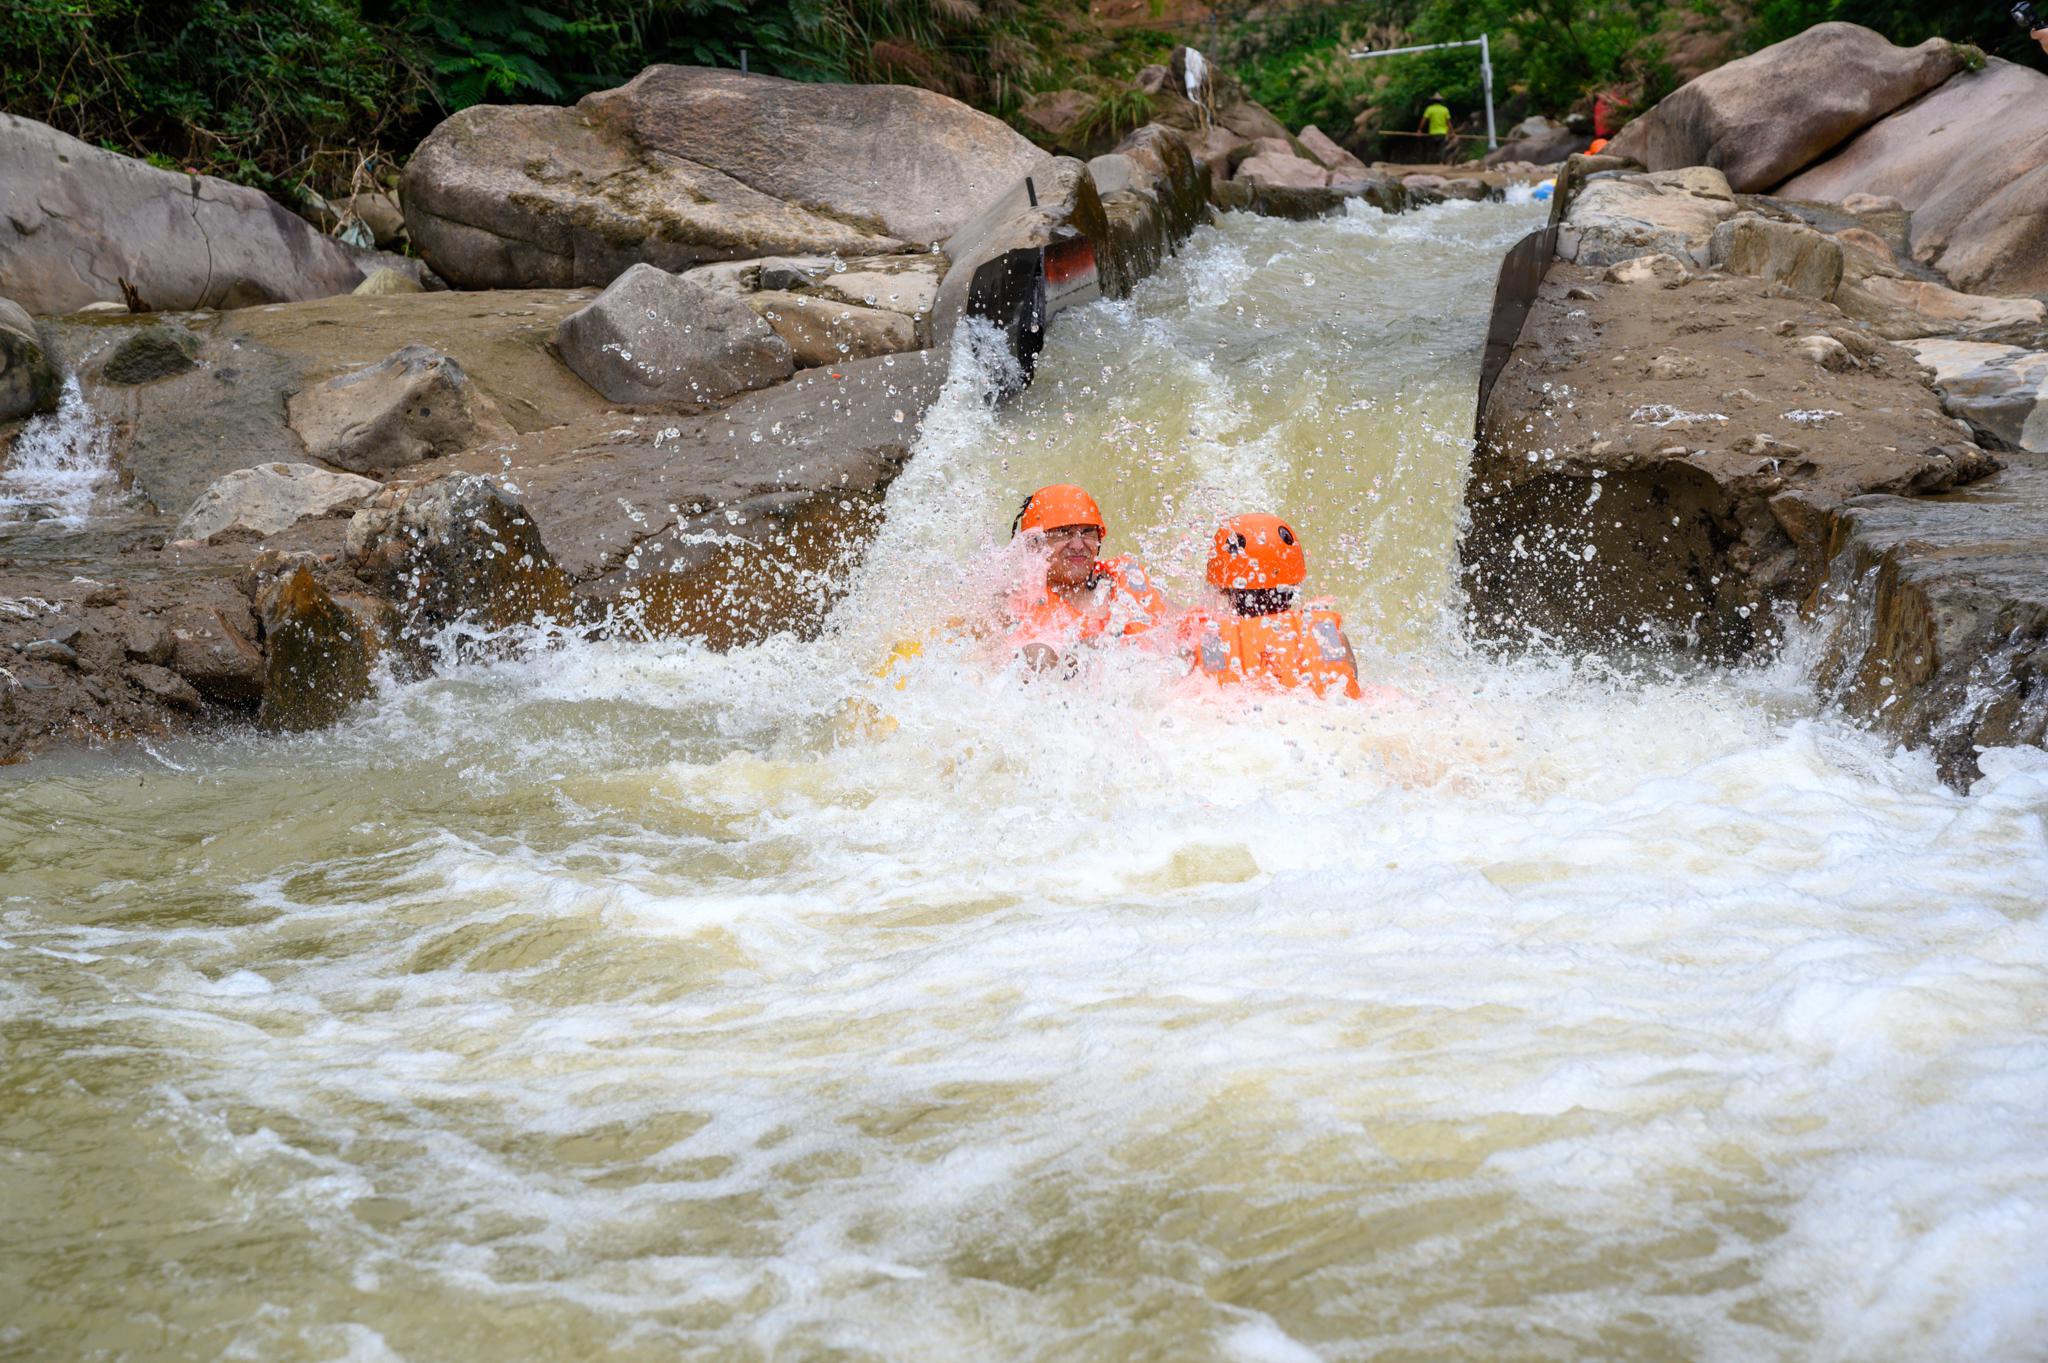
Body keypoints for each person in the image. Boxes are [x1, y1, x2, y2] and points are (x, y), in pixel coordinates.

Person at [1180, 513, 1362, 700]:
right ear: (1295, 581)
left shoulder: (1205, 638)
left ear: (1223, 590)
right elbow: (1351, 688)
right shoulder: (1327, 633)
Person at [1006, 483, 1165, 669]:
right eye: (1064, 533)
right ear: (1034, 544)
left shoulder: (1124, 580)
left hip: (1137, 686)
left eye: (1087, 532)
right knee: (1037, 655)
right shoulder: (1016, 600)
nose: (1078, 545)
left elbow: (1180, 626)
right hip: (1056, 691)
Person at [1417, 93, 1453, 164]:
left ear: (1433, 101)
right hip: (1442, 132)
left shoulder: (1429, 109)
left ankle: (1433, 162)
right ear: (1441, 101)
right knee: (1441, 148)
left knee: (1433, 149)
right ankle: (1440, 162)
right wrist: (1452, 132)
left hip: (1432, 132)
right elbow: (1448, 122)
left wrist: (1419, 130)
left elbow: (1423, 120)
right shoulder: (1445, 110)